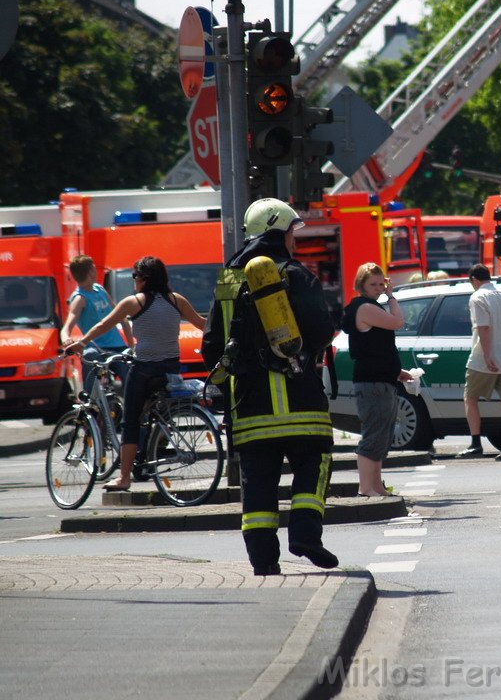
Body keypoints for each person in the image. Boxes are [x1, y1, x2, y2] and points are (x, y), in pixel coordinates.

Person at [201, 198, 338, 577]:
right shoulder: (295, 273)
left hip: (249, 408)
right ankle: (306, 534)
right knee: (314, 464)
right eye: (293, 230)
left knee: (258, 486)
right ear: (278, 231)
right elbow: (323, 331)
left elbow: (210, 347)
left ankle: (264, 562)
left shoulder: (227, 280)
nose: (296, 238)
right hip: (301, 402)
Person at [65, 256, 206, 492]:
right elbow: (202, 323)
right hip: (171, 368)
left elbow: (104, 326)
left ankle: (124, 478)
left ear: (143, 279)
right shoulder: (176, 300)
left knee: (130, 421)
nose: (134, 281)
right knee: (155, 412)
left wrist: (81, 342)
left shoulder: (134, 302)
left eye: (134, 276)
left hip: (144, 369)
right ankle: (151, 451)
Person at [340, 263, 412, 496]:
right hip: (372, 383)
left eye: (382, 284)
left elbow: (378, 346)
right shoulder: (364, 307)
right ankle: (366, 487)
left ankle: (376, 485)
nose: (379, 288)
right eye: (374, 284)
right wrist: (392, 297)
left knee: (383, 435)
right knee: (373, 434)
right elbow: (397, 322)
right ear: (361, 284)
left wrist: (395, 372)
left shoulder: (370, 306)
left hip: (382, 379)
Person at [456, 264, 501, 460]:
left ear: (474, 280)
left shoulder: (477, 297)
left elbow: (483, 328)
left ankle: (475, 443)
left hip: (483, 359)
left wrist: (487, 356)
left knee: (470, 398)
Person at [61, 254, 133, 385]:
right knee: (89, 357)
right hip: (96, 348)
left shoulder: (99, 289)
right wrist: (66, 339)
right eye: (94, 268)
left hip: (117, 346)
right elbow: (66, 328)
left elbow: (121, 316)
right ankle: (90, 400)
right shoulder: (79, 299)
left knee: (131, 379)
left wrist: (131, 346)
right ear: (91, 272)